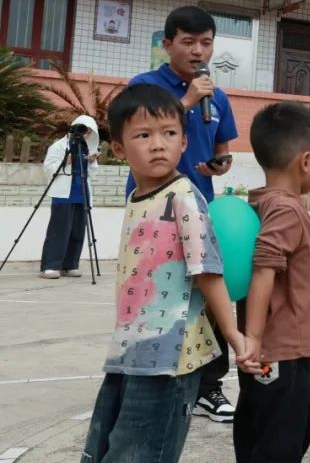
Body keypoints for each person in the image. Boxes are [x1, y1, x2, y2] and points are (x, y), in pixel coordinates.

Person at [83, 85, 243, 463]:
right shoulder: (138, 197)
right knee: (106, 446)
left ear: (184, 142)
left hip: (171, 358)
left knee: (140, 453)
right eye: (143, 135)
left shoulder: (183, 197)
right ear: (119, 149)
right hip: (130, 350)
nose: (158, 145)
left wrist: (233, 334)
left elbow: (208, 271)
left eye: (169, 134)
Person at [128, 5, 239, 422]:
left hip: (200, 206)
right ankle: (150, 380)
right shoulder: (145, 87)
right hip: (153, 209)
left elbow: (222, 150)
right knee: (155, 292)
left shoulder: (218, 95)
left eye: (206, 43)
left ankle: (208, 387)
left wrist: (220, 164)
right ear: (167, 43)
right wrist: (186, 101)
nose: (198, 51)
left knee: (209, 293)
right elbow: (137, 131)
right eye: (188, 42)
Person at [233, 102, 310, 463]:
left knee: (260, 437)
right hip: (288, 355)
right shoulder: (286, 209)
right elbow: (263, 268)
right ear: (305, 161)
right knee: (280, 446)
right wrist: (254, 339)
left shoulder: (261, 203)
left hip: (274, 357)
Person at [39, 115, 99, 279]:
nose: (84, 134)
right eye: (81, 129)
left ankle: (70, 265)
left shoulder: (86, 147)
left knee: (77, 232)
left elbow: (93, 172)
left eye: (87, 131)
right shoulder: (59, 146)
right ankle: (50, 266)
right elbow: (48, 168)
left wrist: (91, 161)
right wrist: (67, 161)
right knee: (59, 231)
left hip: (82, 196)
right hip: (63, 195)